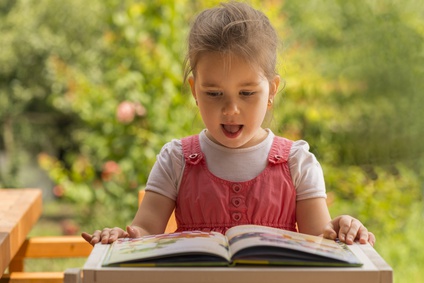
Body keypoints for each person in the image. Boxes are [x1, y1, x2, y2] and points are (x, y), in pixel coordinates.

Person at [82, 1, 375, 247]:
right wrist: (121, 237)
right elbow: (143, 232)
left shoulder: (297, 162)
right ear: (194, 90)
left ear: (272, 91)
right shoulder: (176, 159)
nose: (231, 109)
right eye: (213, 94)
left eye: (247, 93)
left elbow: (320, 240)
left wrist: (341, 229)